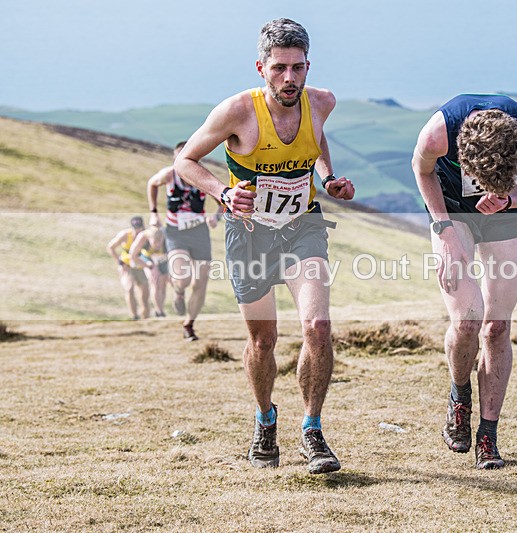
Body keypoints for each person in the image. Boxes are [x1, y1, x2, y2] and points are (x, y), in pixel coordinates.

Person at [173, 18, 355, 474]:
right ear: (261, 67)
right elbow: (185, 161)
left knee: (317, 325)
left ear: (309, 65)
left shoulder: (323, 102)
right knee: (264, 339)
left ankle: (312, 430)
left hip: (302, 226)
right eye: (279, 68)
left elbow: (318, 136)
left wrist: (327, 177)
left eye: (297, 68)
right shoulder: (237, 111)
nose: (289, 79)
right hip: (249, 233)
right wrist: (223, 192)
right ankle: (265, 419)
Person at [411, 94, 517, 469]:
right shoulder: (438, 133)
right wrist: (444, 232)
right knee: (468, 318)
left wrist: (506, 199)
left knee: (496, 329)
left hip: (506, 212)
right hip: (452, 210)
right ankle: (459, 397)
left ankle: (488, 436)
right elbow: (421, 170)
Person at [147, 141, 222, 340]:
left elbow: (223, 200)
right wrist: (153, 213)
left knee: (201, 282)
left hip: (199, 233)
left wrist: (216, 216)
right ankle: (179, 291)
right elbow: (151, 184)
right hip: (175, 232)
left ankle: (189, 324)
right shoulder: (168, 175)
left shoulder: (203, 178)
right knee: (183, 277)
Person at [106, 216, 151, 320]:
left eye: (139, 227)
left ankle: (146, 317)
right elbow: (110, 247)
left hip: (140, 266)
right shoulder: (126, 235)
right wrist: (120, 262)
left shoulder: (146, 236)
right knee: (129, 288)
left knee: (144, 294)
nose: (137, 230)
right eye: (135, 227)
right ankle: (134, 315)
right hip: (127, 266)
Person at [129, 226, 169, 318]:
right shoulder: (143, 237)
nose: (158, 245)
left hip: (162, 257)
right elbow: (133, 256)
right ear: (149, 239)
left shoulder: (168, 237)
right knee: (155, 280)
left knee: (163, 283)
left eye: (160, 242)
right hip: (147, 257)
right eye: (155, 242)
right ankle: (158, 310)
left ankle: (160, 309)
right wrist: (148, 266)